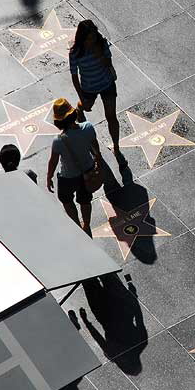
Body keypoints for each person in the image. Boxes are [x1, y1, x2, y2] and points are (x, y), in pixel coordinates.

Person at [69, 20, 124, 164]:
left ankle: (116, 146)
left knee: (111, 116)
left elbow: (109, 64)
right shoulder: (75, 53)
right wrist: (81, 95)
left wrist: (100, 54)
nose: (92, 41)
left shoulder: (101, 44)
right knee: (84, 105)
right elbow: (74, 77)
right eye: (89, 39)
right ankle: (79, 109)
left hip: (107, 84)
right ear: (82, 38)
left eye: (93, 37)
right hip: (88, 88)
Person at [46, 98, 102, 237]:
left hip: (68, 177)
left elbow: (53, 161)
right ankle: (87, 225)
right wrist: (97, 161)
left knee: (66, 199)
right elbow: (95, 147)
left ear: (58, 122)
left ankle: (77, 225)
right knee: (85, 200)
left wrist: (49, 177)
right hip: (87, 171)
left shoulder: (58, 141)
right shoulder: (88, 127)